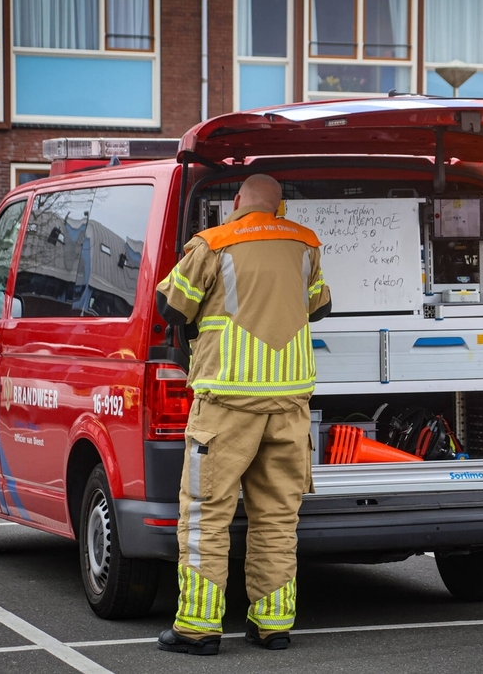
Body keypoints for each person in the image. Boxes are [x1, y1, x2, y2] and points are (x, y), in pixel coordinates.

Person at [154, 174, 332, 656]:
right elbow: (320, 307)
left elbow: (171, 306)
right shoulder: (305, 244)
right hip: (290, 404)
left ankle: (197, 628)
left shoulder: (213, 242)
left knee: (206, 515)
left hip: (226, 404)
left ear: (236, 201)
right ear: (280, 206)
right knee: (277, 517)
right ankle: (273, 625)